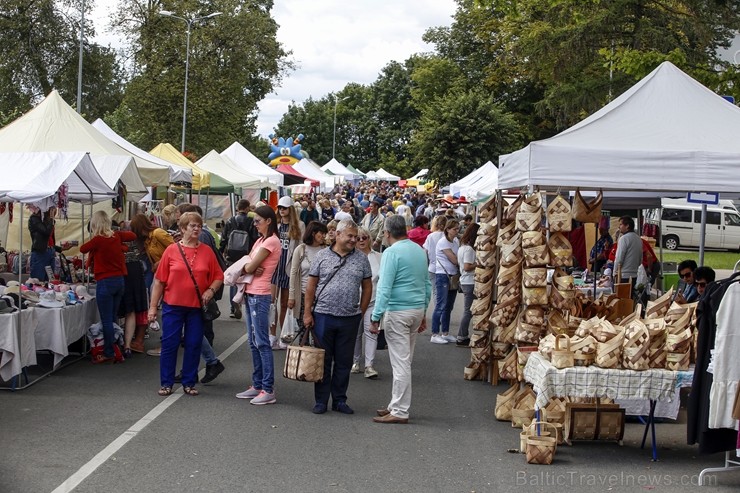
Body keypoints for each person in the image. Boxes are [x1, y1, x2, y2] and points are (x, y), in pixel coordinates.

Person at [148, 212, 223, 397]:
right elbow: (159, 281)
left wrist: (210, 290)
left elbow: (218, 276)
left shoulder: (206, 251)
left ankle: (189, 382)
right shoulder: (171, 251)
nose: (197, 228)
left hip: (196, 307)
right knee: (170, 344)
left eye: (199, 225)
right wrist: (152, 307)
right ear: (182, 229)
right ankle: (166, 383)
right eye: (192, 226)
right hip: (173, 306)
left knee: (193, 343)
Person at [303, 219, 372, 415]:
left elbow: (367, 287)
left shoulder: (361, 259)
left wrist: (362, 311)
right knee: (323, 360)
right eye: (350, 236)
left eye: (355, 236)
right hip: (323, 316)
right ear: (338, 235)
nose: (354, 239)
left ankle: (340, 400)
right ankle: (321, 400)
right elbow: (311, 286)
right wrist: (307, 313)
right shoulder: (322, 256)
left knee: (343, 361)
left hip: (349, 318)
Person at [370, 215, 431, 424]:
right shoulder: (419, 250)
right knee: (405, 359)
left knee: (400, 362)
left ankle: (399, 409)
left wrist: (376, 316)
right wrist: (423, 311)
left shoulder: (391, 253)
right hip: (415, 309)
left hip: (398, 311)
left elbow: (384, 287)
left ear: (387, 233)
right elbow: (426, 284)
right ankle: (396, 404)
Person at [235, 205, 282, 405]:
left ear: (268, 221)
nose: (255, 224)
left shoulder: (270, 241)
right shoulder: (262, 240)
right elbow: (251, 264)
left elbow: (250, 265)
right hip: (252, 292)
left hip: (260, 294)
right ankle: (258, 384)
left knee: (261, 342)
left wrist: (248, 267)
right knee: (254, 342)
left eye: (258, 221)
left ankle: (267, 387)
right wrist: (250, 266)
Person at [80, 211, 137, 364]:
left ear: (95, 225)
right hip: (119, 280)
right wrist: (119, 234)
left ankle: (109, 351)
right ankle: (116, 347)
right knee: (113, 317)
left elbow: (82, 249)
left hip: (105, 281)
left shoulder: (98, 240)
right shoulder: (116, 236)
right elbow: (132, 236)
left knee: (106, 319)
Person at [272, 196, 305, 349]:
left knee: (285, 304)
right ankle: (272, 335)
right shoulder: (276, 225)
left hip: (289, 268)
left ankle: (285, 336)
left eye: (284, 208)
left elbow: (302, 247)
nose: (281, 210)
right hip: (275, 267)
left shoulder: (299, 225)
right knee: (272, 303)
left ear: (290, 209)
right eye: (280, 207)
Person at [351, 226, 383, 378]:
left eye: (364, 237)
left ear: (370, 238)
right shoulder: (351, 257)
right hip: (354, 302)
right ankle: (355, 362)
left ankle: (369, 366)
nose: (361, 240)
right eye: (358, 238)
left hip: (374, 301)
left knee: (372, 333)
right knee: (355, 334)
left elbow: (384, 280)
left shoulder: (379, 257)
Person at [288, 221, 328, 337]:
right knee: (303, 329)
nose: (324, 236)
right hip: (302, 295)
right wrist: (291, 296)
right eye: (322, 233)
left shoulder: (325, 250)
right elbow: (293, 273)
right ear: (313, 233)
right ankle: (304, 353)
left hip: (321, 295)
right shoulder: (301, 249)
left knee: (319, 330)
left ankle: (318, 354)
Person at [220, 199, 259, 319]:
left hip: (232, 254)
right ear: (247, 208)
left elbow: (224, 237)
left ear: (237, 208)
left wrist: (221, 251)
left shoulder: (230, 221)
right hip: (246, 254)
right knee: (245, 278)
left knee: (233, 279)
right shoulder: (250, 221)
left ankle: (233, 306)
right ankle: (242, 301)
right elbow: (254, 237)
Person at [118, 222, 149, 357]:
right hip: (136, 273)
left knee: (120, 310)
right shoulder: (137, 241)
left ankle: (116, 343)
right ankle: (128, 345)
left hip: (123, 273)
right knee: (132, 311)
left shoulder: (117, 239)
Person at [430, 218, 460, 344]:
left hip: (453, 275)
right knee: (440, 305)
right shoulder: (443, 242)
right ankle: (435, 333)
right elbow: (454, 259)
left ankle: (445, 332)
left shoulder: (456, 241)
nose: (457, 231)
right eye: (455, 229)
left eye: (458, 228)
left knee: (448, 306)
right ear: (448, 229)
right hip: (443, 275)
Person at [456, 222, 479, 346]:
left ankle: (462, 335)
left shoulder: (462, 247)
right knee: (468, 311)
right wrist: (480, 262)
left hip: (465, 281)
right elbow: (467, 266)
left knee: (468, 311)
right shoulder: (469, 249)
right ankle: (461, 336)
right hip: (469, 282)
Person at [28, 206, 57, 281]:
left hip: (50, 251)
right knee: (38, 280)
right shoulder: (34, 218)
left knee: (50, 280)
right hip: (40, 252)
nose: (54, 210)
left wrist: (57, 248)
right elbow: (46, 231)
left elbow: (49, 239)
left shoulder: (49, 220)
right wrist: (51, 218)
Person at [423, 215, 448, 303]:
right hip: (446, 268)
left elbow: (425, 252)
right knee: (445, 293)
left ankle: (437, 312)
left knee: (435, 292)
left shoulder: (431, 236)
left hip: (433, 267)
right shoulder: (448, 236)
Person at [614, 216, 642, 284]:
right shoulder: (638, 239)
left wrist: (615, 272)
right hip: (634, 274)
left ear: (627, 226)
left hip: (623, 275)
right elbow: (640, 259)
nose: (619, 227)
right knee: (630, 294)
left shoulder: (624, 238)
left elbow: (619, 258)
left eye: (621, 224)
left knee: (622, 294)